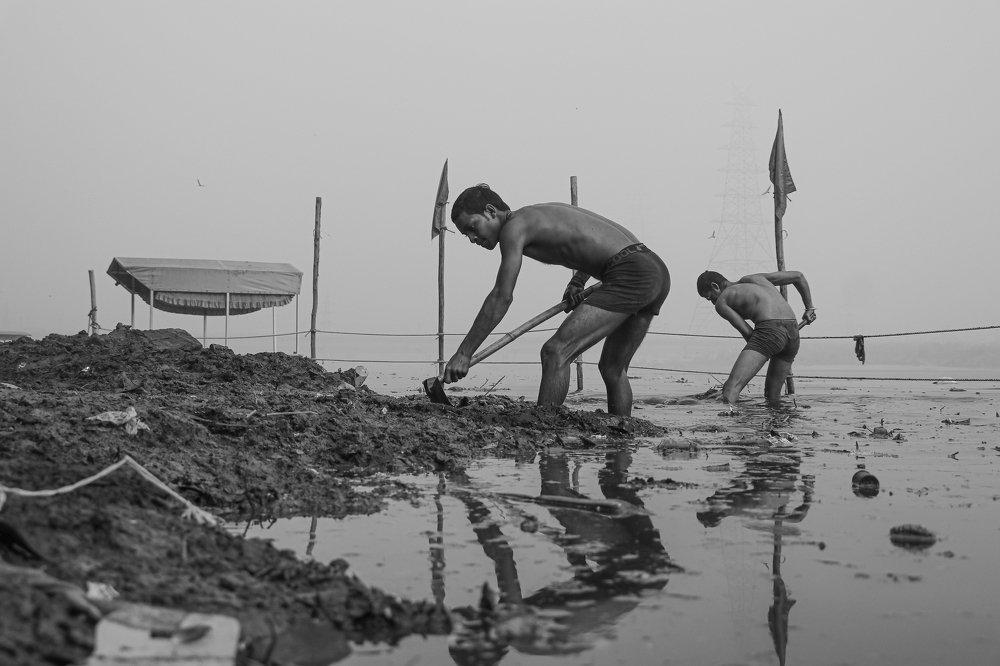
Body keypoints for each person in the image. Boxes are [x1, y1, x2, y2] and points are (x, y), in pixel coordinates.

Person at [443, 183, 670, 416]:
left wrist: (464, 353)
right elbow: (595, 241)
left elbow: (501, 297)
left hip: (631, 272)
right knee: (612, 369)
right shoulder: (537, 215)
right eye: (465, 234)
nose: (471, 238)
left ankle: (545, 430)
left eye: (472, 227)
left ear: (490, 211)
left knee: (555, 352)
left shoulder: (514, 228)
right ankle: (622, 443)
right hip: (652, 267)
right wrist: (577, 283)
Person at [696, 270, 816, 407]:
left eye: (710, 298)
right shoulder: (754, 278)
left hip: (770, 331)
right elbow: (798, 276)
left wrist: (767, 349)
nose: (712, 303)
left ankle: (727, 426)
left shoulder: (722, 301)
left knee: (731, 387)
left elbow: (748, 334)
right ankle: (779, 425)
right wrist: (809, 308)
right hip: (793, 332)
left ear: (715, 286)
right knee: (772, 396)